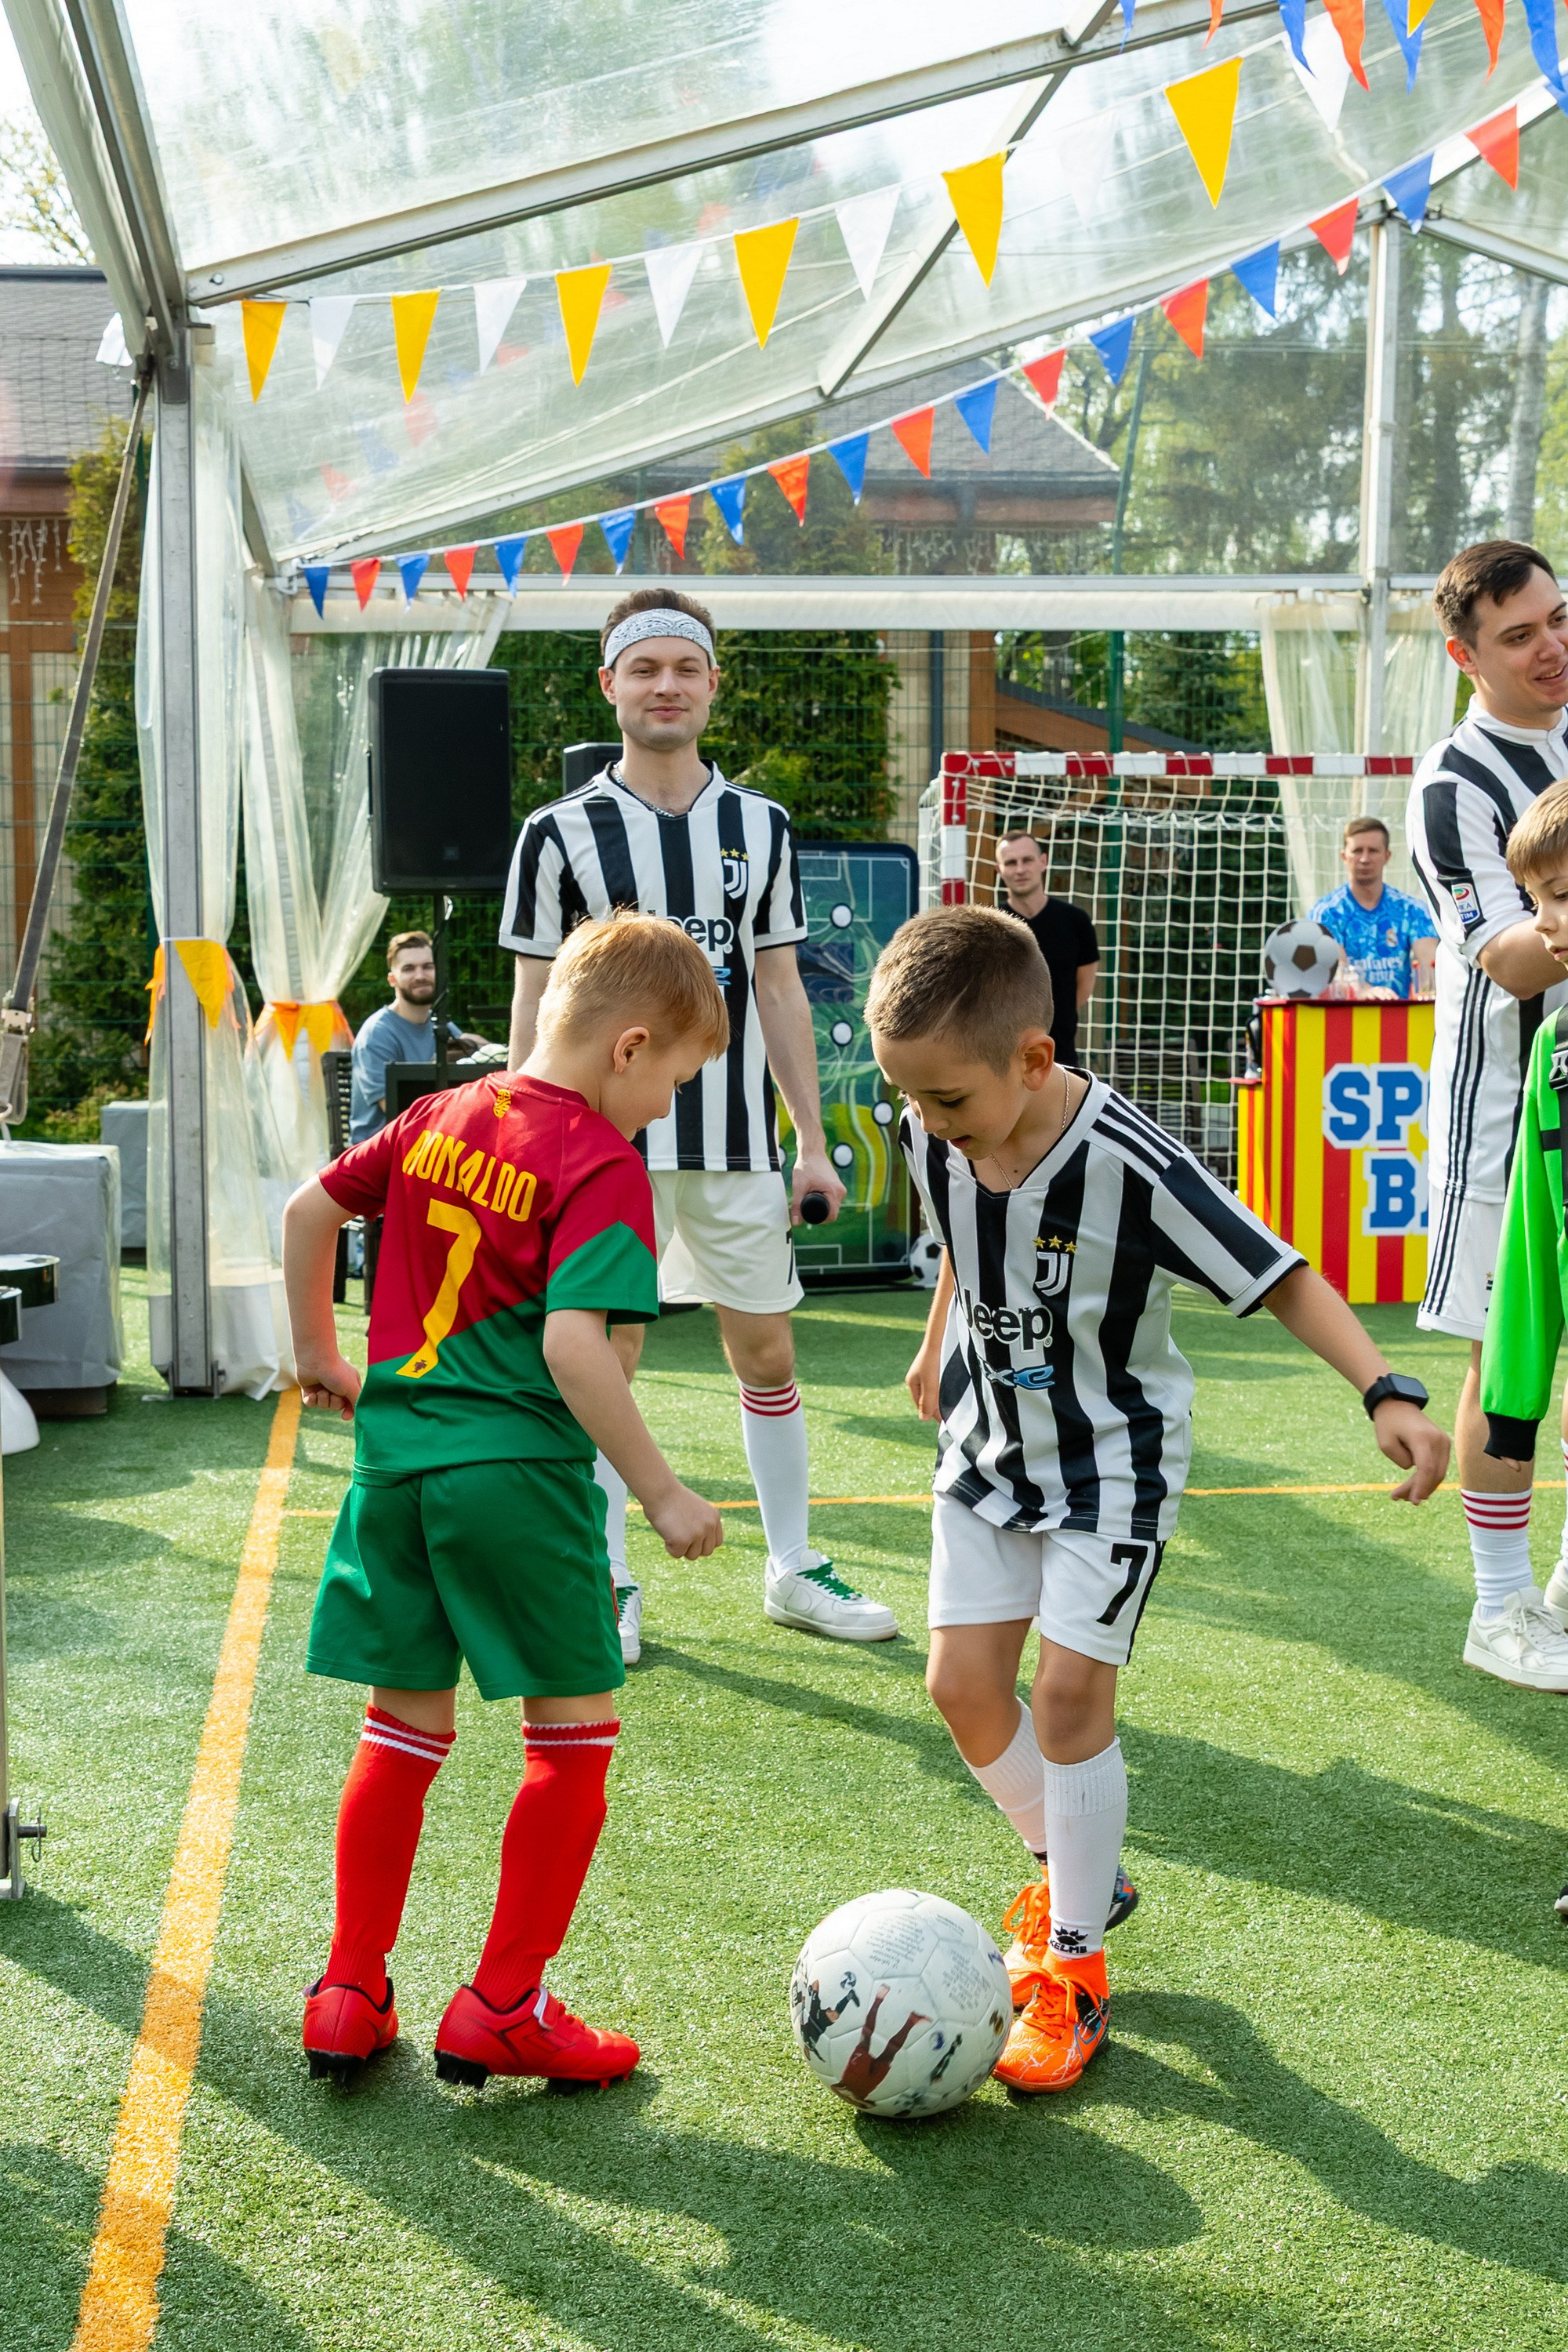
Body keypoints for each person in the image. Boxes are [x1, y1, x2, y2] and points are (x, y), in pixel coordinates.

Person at [866, 906, 1449, 2092]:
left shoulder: (1134, 1163)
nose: (929, 1127)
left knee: (1070, 1701)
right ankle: (1076, 1864)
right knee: (961, 1688)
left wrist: (1383, 1387)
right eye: (912, 1102)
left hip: (1107, 1471)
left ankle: (1073, 1968)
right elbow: (961, 1238)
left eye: (947, 1104)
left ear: (1033, 1060)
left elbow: (1278, 1275)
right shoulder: (942, 1124)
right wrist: (939, 1341)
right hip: (985, 1451)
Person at [284, 913, 728, 2090]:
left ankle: (348, 1990)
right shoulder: (596, 1158)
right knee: (572, 1739)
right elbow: (580, 1349)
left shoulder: (436, 1113)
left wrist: (320, 1356)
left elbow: (307, 1214)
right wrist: (664, 1489)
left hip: (392, 1470)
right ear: (631, 1048)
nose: (668, 1105)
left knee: (402, 1728)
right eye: (676, 1078)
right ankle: (502, 2006)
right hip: (515, 1481)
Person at [499, 586, 898, 1664]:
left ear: (712, 685)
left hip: (732, 1145)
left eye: (685, 668)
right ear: (611, 687)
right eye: (645, 669)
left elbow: (777, 989)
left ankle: (792, 1568)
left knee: (764, 1348)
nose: (665, 685)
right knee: (605, 1355)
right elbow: (534, 1002)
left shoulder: (757, 824)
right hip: (598, 1152)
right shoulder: (557, 833)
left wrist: (811, 1141)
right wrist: (520, 1136)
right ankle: (609, 1578)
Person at [1406, 541, 1568, 1689]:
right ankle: (1500, 1608)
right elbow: (1513, 957)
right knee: (1500, 1360)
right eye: (1519, 635)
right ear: (1467, 656)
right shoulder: (1452, 785)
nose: (1552, 645)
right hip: (1508, 1109)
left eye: (1557, 619)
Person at [350, 931, 490, 1145]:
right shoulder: (377, 1034)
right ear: (392, 979)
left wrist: (481, 1048)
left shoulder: (444, 1027)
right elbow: (397, 1110)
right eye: (409, 969)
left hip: (430, 1146)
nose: (420, 975)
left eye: (428, 967)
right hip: (380, 1155)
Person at [994, 832, 1099, 1069]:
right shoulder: (991, 925)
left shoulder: (1076, 921)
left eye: (1027, 860)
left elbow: (1082, 990)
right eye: (1011, 862)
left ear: (1043, 861)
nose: (1020, 869)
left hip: (1061, 1054)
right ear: (999, 870)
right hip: (1003, 1057)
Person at [1310, 817, 1437, 1000]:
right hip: (1346, 1019)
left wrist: (1427, 988)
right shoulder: (1326, 913)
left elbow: (1429, 966)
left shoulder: (1412, 910)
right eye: (1357, 851)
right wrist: (1366, 991)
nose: (1364, 859)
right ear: (1344, 856)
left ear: (1387, 856)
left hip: (1401, 1017)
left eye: (1373, 851)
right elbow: (1338, 969)